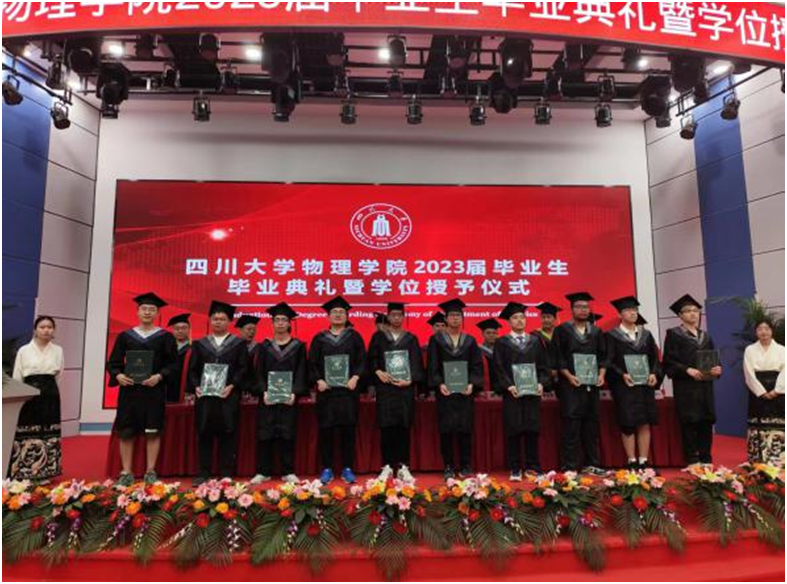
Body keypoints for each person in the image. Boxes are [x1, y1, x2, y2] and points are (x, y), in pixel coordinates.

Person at [106, 292, 177, 486]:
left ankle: (150, 470)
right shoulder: (125, 336)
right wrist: (118, 376)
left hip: (154, 390)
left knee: (153, 430)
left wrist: (159, 376)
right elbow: (113, 363)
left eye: (152, 309)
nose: (147, 312)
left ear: (157, 313)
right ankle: (126, 471)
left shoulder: (165, 337)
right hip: (129, 391)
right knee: (126, 431)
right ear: (137, 312)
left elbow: (173, 364)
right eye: (144, 309)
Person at [188, 301, 248, 485]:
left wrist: (232, 385)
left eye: (222, 319)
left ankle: (226, 472)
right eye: (215, 319)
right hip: (205, 396)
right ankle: (203, 472)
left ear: (229, 322)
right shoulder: (200, 344)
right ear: (210, 320)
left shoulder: (238, 344)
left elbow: (243, 368)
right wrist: (196, 386)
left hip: (228, 395)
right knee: (204, 432)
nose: (218, 322)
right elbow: (193, 370)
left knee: (228, 432)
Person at [309, 296, 366, 485]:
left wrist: (355, 377)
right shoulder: (319, 338)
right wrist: (318, 380)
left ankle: (347, 468)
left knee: (348, 431)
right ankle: (327, 468)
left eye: (342, 312)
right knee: (326, 431)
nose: (338, 315)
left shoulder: (354, 336)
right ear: (328, 316)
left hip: (348, 393)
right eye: (334, 312)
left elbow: (362, 360)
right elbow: (312, 363)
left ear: (347, 315)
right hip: (327, 393)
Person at [426, 298, 484, 481]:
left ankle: (466, 465)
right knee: (446, 430)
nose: (455, 318)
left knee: (465, 429)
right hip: (445, 393)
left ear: (462, 318)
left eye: (458, 315)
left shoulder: (470, 341)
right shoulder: (436, 340)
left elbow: (476, 366)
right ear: (446, 319)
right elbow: (433, 365)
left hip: (465, 393)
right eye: (452, 315)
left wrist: (472, 384)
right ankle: (448, 465)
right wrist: (439, 384)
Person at [493, 302, 550, 481]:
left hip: (532, 392)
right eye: (515, 318)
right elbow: (498, 368)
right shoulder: (502, 343)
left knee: (532, 429)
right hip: (513, 393)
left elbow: (543, 366)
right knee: (514, 429)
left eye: (522, 317)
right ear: (509, 322)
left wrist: (541, 383)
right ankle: (515, 468)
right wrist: (508, 385)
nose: (519, 320)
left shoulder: (535, 341)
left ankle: (533, 466)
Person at [368, 302, 425, 483]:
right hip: (385, 389)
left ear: (403, 317)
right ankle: (386, 466)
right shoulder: (378, 337)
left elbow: (417, 363)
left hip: (404, 389)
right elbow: (371, 359)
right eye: (393, 315)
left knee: (403, 427)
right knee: (386, 427)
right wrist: (377, 371)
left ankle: (403, 466)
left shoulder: (411, 338)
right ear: (388, 317)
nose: (396, 318)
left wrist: (411, 380)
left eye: (399, 315)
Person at [663, 294, 722, 466]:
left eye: (696, 311)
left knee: (706, 420)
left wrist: (718, 369)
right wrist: (687, 370)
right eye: (688, 311)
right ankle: (692, 459)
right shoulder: (673, 334)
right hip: (686, 386)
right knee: (689, 421)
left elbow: (714, 359)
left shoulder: (706, 336)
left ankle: (706, 457)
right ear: (680, 315)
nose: (692, 314)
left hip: (705, 385)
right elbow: (668, 361)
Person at [253, 303, 309, 484]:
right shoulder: (264, 346)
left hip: (289, 398)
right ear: (272, 323)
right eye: (277, 320)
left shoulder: (298, 346)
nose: (280, 323)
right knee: (265, 433)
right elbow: (259, 371)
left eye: (284, 320)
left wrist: (295, 393)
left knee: (288, 433)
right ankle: (263, 471)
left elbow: (302, 371)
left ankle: (288, 471)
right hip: (268, 398)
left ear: (289, 323)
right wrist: (263, 391)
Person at [552, 292, 607, 475]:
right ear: (572, 309)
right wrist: (569, 376)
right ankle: (569, 466)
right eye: (579, 307)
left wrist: (601, 374)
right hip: (571, 386)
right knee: (571, 425)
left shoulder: (596, 331)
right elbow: (558, 357)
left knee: (592, 424)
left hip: (592, 384)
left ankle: (592, 463)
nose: (583, 310)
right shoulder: (562, 330)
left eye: (586, 307)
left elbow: (603, 356)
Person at [605, 296, 662, 470]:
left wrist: (654, 373)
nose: (633, 313)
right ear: (620, 315)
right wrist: (622, 374)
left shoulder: (646, 335)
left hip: (644, 385)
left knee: (644, 422)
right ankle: (631, 460)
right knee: (627, 423)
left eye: (635, 310)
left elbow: (655, 359)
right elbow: (608, 361)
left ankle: (643, 460)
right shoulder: (612, 336)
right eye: (628, 310)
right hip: (625, 387)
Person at [9, 316, 64, 481]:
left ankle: (47, 471)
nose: (46, 330)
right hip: (29, 393)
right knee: (27, 429)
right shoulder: (24, 350)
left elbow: (59, 375)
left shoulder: (58, 350)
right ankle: (24, 471)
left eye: (50, 327)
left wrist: (51, 391)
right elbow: (17, 375)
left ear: (54, 330)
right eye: (42, 327)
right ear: (35, 330)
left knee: (48, 430)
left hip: (50, 393)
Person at [743, 319, 785, 467]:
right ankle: (757, 458)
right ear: (756, 332)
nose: (763, 332)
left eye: (767, 328)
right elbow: (748, 372)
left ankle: (779, 457)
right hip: (757, 391)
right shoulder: (750, 350)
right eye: (760, 329)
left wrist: (777, 390)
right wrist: (760, 392)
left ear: (772, 331)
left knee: (777, 423)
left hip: (778, 389)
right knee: (757, 423)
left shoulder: (782, 349)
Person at [166, 313, 192, 403]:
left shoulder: (194, 349)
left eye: (184, 328)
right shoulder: (166, 348)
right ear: (172, 330)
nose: (180, 331)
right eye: (177, 328)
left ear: (189, 329)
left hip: (186, 388)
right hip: (167, 387)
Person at [235, 315, 261, 398]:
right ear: (240, 330)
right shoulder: (233, 347)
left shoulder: (259, 348)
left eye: (254, 329)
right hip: (235, 388)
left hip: (254, 388)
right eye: (249, 329)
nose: (252, 332)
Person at [476, 318, 502, 395]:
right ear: (482, 334)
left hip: (501, 389)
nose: (491, 335)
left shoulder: (502, 351)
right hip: (482, 389)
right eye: (488, 333)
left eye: (494, 333)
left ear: (497, 334)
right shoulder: (477, 351)